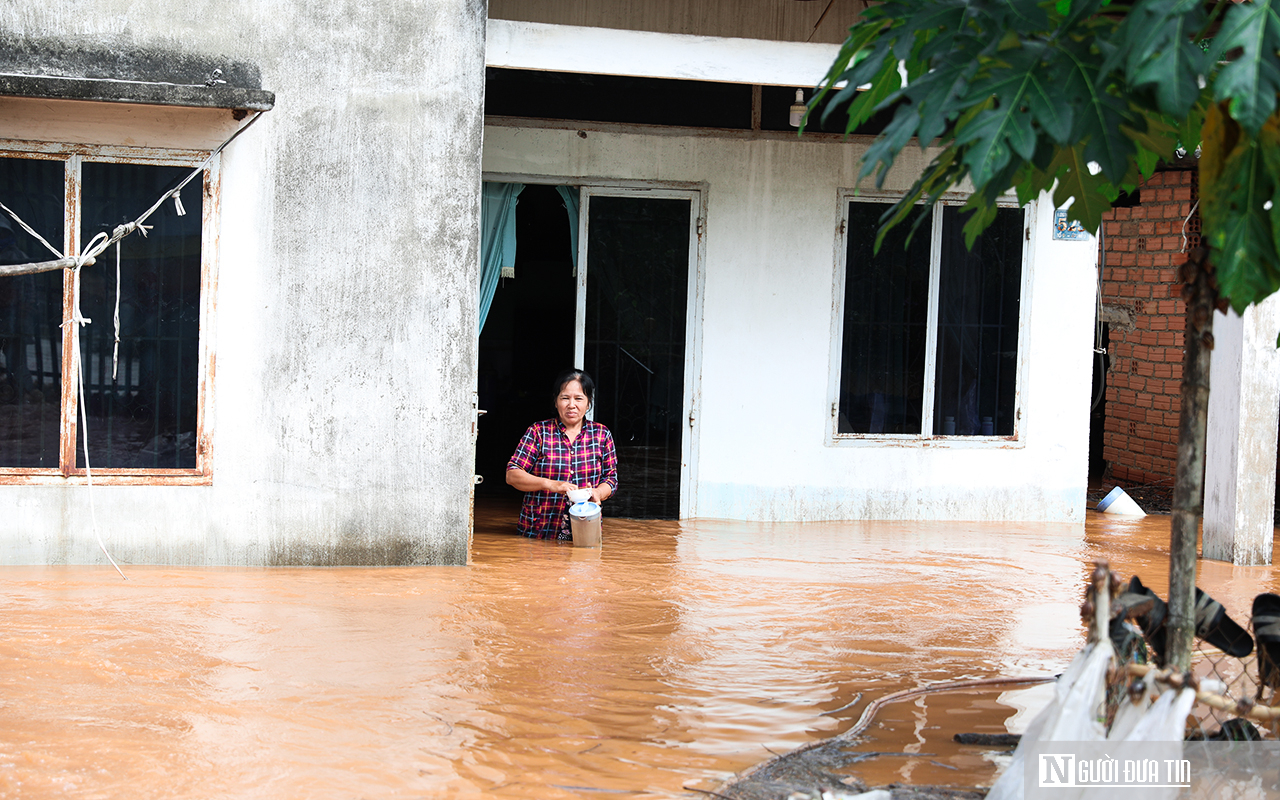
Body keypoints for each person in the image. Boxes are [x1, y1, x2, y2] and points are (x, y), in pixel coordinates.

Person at [505, 369, 618, 540]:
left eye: (579, 398)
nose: (571, 405)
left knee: (585, 563)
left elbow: (611, 479)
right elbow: (512, 475)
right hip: (538, 531)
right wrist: (551, 484)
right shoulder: (538, 432)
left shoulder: (602, 434)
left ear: (588, 403)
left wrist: (598, 492)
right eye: (565, 398)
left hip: (585, 532)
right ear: (556, 402)